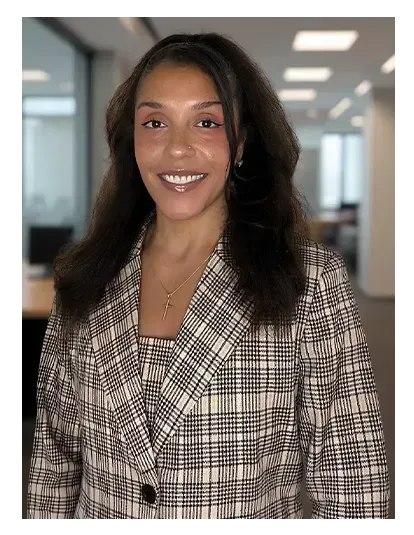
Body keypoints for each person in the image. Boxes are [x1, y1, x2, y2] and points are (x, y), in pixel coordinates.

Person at [27, 32, 389, 520]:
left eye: (206, 122)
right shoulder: (86, 275)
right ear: (132, 140)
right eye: (155, 122)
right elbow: (53, 466)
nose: (177, 149)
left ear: (241, 142)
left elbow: (354, 490)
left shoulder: (308, 282)